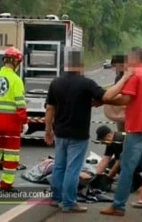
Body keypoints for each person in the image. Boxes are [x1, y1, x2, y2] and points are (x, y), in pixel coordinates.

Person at [45, 49, 133, 213]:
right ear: (81, 65)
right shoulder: (86, 84)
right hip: (78, 134)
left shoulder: (55, 83)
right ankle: (69, 202)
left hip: (60, 132)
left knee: (59, 166)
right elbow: (106, 96)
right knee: (73, 168)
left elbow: (50, 108)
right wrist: (126, 78)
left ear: (65, 64)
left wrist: (48, 129)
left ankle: (56, 198)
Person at [100, 47, 142, 217]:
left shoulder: (136, 75)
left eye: (128, 59)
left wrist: (107, 99)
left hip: (137, 127)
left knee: (127, 166)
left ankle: (118, 205)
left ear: (135, 58)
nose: (126, 62)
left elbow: (126, 98)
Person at [0, 46, 28, 192]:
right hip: (11, 125)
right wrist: (25, 122)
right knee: (11, 156)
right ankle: (6, 185)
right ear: (16, 62)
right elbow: (20, 104)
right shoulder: (16, 80)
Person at [103, 55, 127, 132]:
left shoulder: (128, 76)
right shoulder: (118, 77)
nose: (114, 68)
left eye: (115, 66)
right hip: (120, 110)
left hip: (127, 108)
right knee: (121, 130)